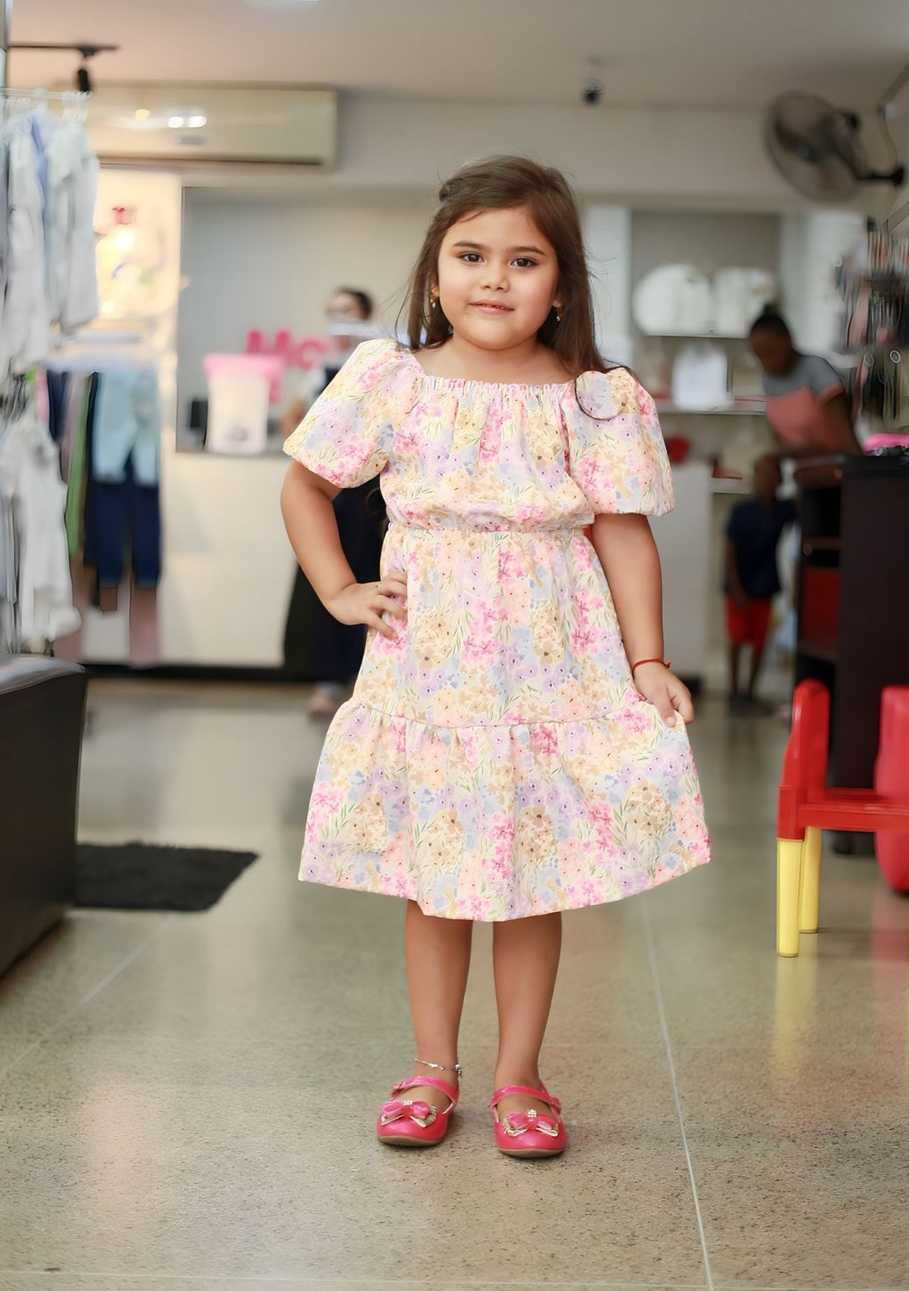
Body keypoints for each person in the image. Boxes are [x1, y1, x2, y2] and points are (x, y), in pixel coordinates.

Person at [280, 155, 710, 1159]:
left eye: (523, 260)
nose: (493, 278)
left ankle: (522, 1073)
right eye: (471, 255)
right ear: (435, 272)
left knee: (531, 871)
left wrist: (647, 659)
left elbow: (623, 534)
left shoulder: (591, 399)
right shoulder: (393, 381)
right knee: (434, 873)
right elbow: (305, 484)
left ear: (560, 285)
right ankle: (433, 1067)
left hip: (551, 663)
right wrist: (339, 590)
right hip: (431, 667)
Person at [280, 288, 386, 717]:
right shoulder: (322, 369)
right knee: (330, 579)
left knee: (379, 579)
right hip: (335, 497)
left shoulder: (385, 365)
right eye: (334, 313)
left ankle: (371, 680)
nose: (340, 321)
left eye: (348, 312)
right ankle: (326, 680)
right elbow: (291, 418)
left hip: (377, 499)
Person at [724, 454, 796, 711]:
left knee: (758, 642)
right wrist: (737, 589)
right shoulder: (742, 512)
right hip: (739, 584)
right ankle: (734, 692)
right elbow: (729, 553)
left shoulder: (783, 510)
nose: (766, 479)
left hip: (764, 585)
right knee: (737, 639)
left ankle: (750, 692)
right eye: (762, 474)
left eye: (771, 474)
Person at [749, 306, 862, 457]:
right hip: (801, 467)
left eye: (770, 352)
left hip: (834, 464)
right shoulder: (768, 381)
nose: (766, 362)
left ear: (787, 340)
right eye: (759, 355)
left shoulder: (816, 370)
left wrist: (862, 468)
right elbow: (780, 439)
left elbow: (846, 437)